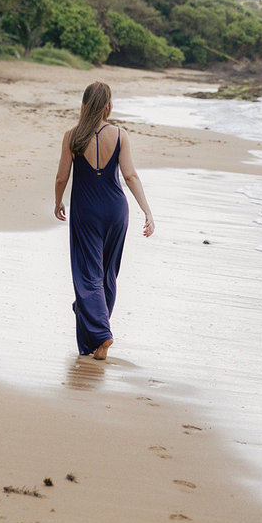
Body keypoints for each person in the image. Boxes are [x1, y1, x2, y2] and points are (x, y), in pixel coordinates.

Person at [54, 82, 155, 360]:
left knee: (89, 274)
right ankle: (96, 335)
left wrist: (58, 200)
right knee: (107, 274)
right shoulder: (120, 135)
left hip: (86, 211)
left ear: (84, 104)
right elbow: (131, 176)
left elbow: (62, 177)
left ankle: (100, 333)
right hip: (115, 210)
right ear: (108, 106)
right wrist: (147, 211)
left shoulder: (72, 137)